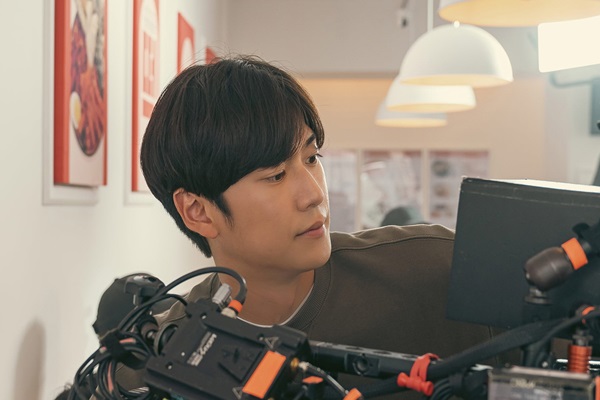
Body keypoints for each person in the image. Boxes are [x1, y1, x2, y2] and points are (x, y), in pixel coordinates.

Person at [138, 55, 499, 397]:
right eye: (276, 175)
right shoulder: (156, 357)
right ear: (198, 211)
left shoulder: (440, 268)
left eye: (312, 158)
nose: (314, 194)